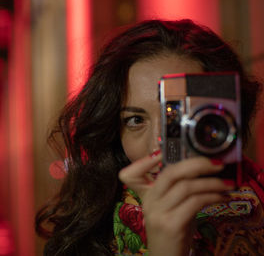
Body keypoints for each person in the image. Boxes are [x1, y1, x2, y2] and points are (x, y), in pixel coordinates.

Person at [35, 19, 264, 255]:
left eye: (179, 116)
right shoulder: (88, 230)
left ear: (226, 115)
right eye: (136, 120)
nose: (159, 142)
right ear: (114, 132)